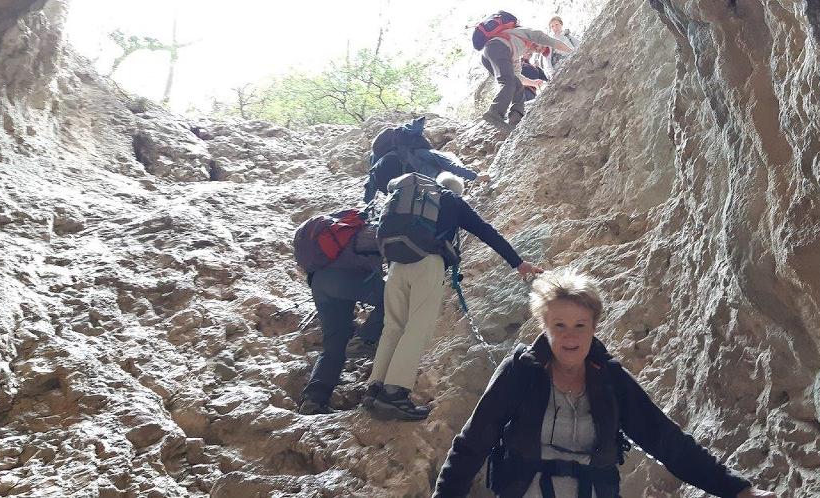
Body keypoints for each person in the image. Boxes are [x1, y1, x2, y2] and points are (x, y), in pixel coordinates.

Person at [433, 270, 779, 498]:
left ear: (594, 327)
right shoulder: (520, 373)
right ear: (544, 327)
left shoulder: (610, 379)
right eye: (560, 326)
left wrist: (737, 490)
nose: (570, 337)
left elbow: (665, 440)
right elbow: (471, 445)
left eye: (580, 325)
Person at [365, 172, 545, 421]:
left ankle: (375, 388)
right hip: (428, 264)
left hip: (395, 265)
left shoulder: (406, 197)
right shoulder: (451, 199)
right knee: (418, 328)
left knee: (393, 326)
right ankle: (394, 393)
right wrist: (518, 263)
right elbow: (485, 231)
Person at [296, 220, 385, 415]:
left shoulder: (342, 235)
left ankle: (313, 400)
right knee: (395, 296)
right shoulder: (376, 231)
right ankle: (365, 340)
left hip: (319, 283)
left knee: (335, 343)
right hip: (343, 279)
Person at [364, 117, 478, 204]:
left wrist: (366, 206)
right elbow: (450, 165)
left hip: (394, 197)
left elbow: (370, 185)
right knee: (448, 163)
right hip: (418, 192)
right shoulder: (421, 152)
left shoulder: (379, 161)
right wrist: (474, 176)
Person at [480, 23, 573, 129]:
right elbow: (555, 43)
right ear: (542, 41)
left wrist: (533, 83)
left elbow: (518, 77)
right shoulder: (532, 34)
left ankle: (515, 119)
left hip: (490, 55)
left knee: (517, 84)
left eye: (540, 51)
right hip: (496, 47)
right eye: (541, 47)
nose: (539, 49)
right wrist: (574, 52)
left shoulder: (517, 53)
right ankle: (494, 112)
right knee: (508, 81)